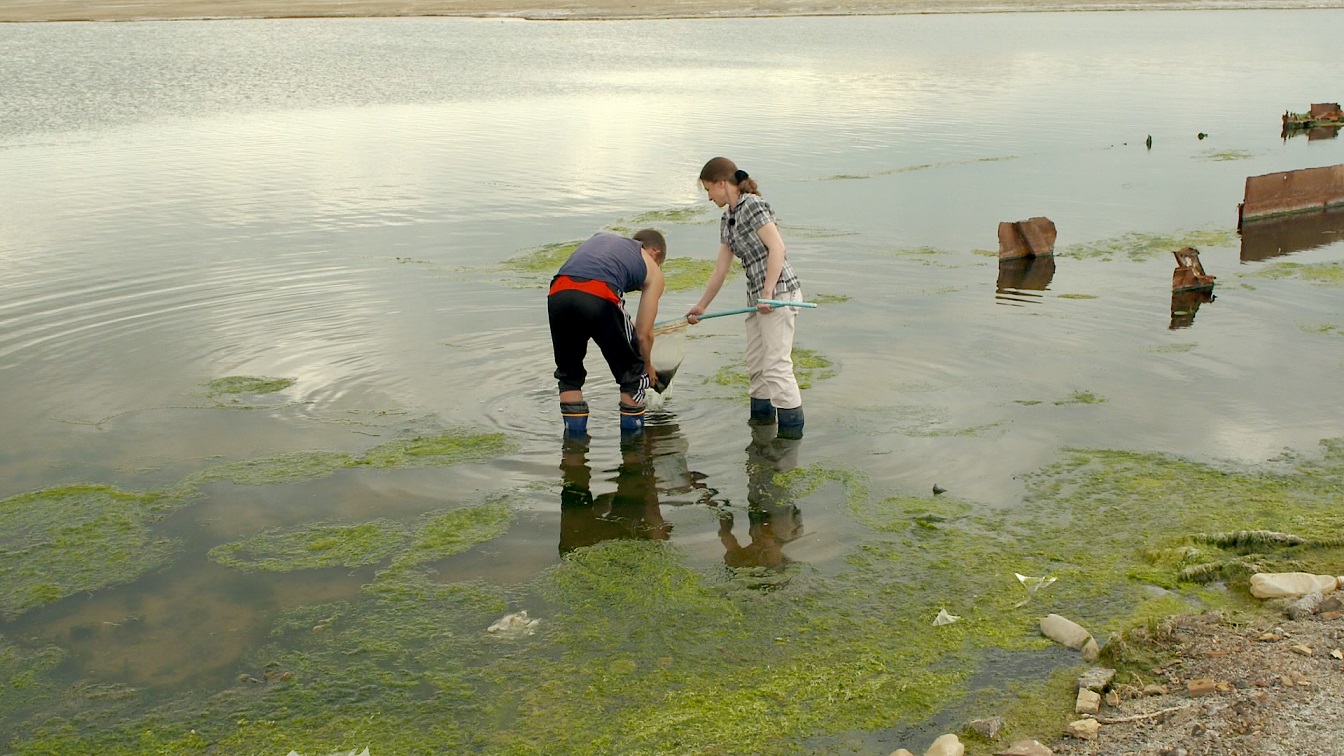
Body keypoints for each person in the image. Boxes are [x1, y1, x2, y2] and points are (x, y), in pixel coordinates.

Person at [687, 157, 805, 438]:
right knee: (756, 367)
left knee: (776, 366)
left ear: (721, 183)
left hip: (779, 294)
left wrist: (767, 294)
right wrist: (702, 306)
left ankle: (790, 441)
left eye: (708, 190)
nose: (708, 197)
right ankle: (762, 434)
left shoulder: (752, 205)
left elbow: (778, 248)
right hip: (757, 299)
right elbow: (721, 269)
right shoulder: (728, 218)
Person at [548, 229, 667, 438]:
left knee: (569, 376)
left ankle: (574, 450)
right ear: (655, 253)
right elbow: (643, 335)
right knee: (633, 375)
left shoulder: (602, 239)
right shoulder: (653, 270)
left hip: (559, 292)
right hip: (601, 293)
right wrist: (647, 367)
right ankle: (634, 452)